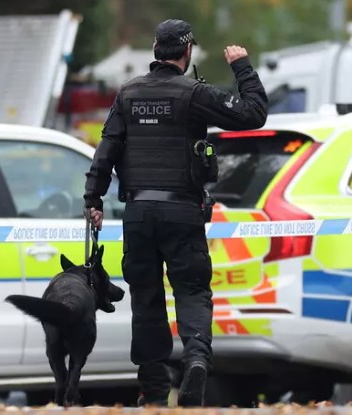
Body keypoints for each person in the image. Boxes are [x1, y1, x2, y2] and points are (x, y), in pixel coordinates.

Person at [82, 18, 268, 407]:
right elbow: (253, 113)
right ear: (187, 51)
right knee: (192, 291)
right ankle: (196, 360)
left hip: (138, 213)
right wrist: (242, 67)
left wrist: (93, 200)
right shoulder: (194, 93)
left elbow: (107, 148)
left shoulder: (128, 93)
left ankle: (153, 390)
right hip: (182, 212)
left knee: (146, 298)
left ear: (155, 49)